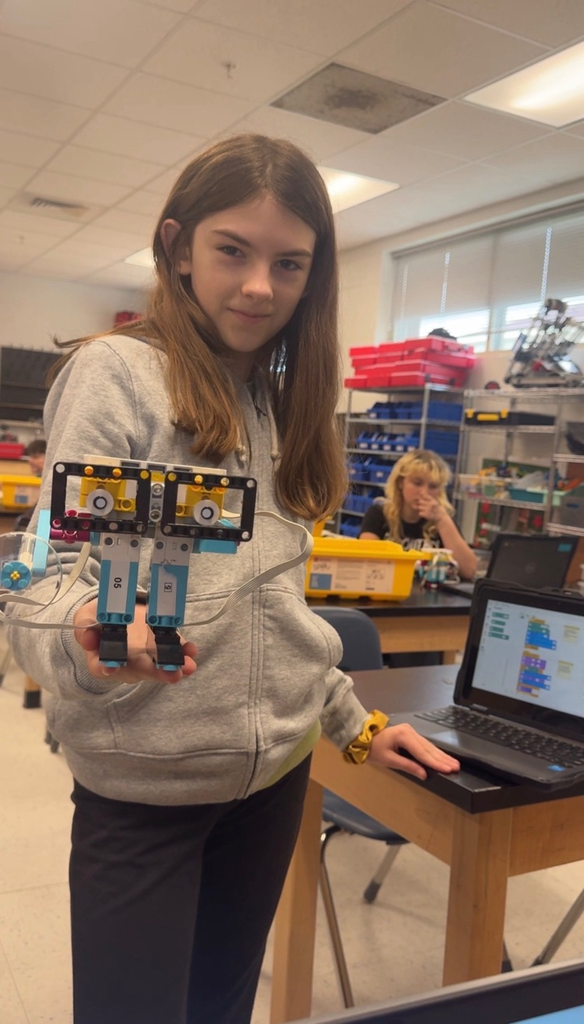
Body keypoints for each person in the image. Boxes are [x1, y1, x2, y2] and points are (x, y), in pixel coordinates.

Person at [6, 134, 459, 1024]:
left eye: (289, 263)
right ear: (177, 247)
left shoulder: (282, 406)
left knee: (220, 1013)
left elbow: (274, 611)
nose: (260, 285)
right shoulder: (117, 377)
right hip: (144, 791)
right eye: (232, 251)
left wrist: (356, 725)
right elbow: (39, 580)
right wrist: (85, 631)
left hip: (272, 786)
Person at [360, 448, 478, 580]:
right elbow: (366, 561)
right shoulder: (379, 514)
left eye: (433, 486)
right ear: (400, 482)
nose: (424, 492)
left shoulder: (442, 519)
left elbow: (469, 571)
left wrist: (442, 520)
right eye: (417, 483)